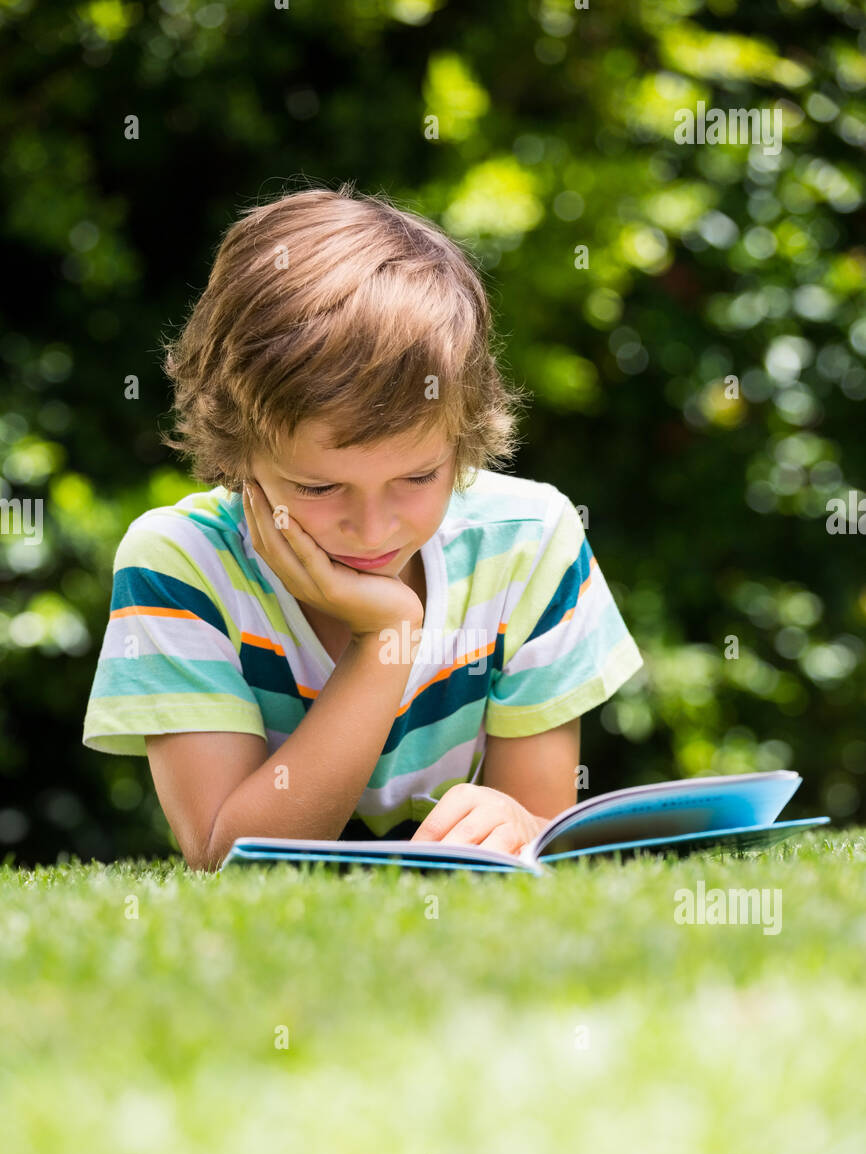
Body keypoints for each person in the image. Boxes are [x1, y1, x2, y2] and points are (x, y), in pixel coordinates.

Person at [82, 183, 643, 870]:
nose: (372, 527)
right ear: (237, 454)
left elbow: (537, 830)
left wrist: (515, 819)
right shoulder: (182, 564)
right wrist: (388, 636)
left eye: (418, 477)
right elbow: (226, 857)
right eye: (318, 486)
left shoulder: (525, 543)